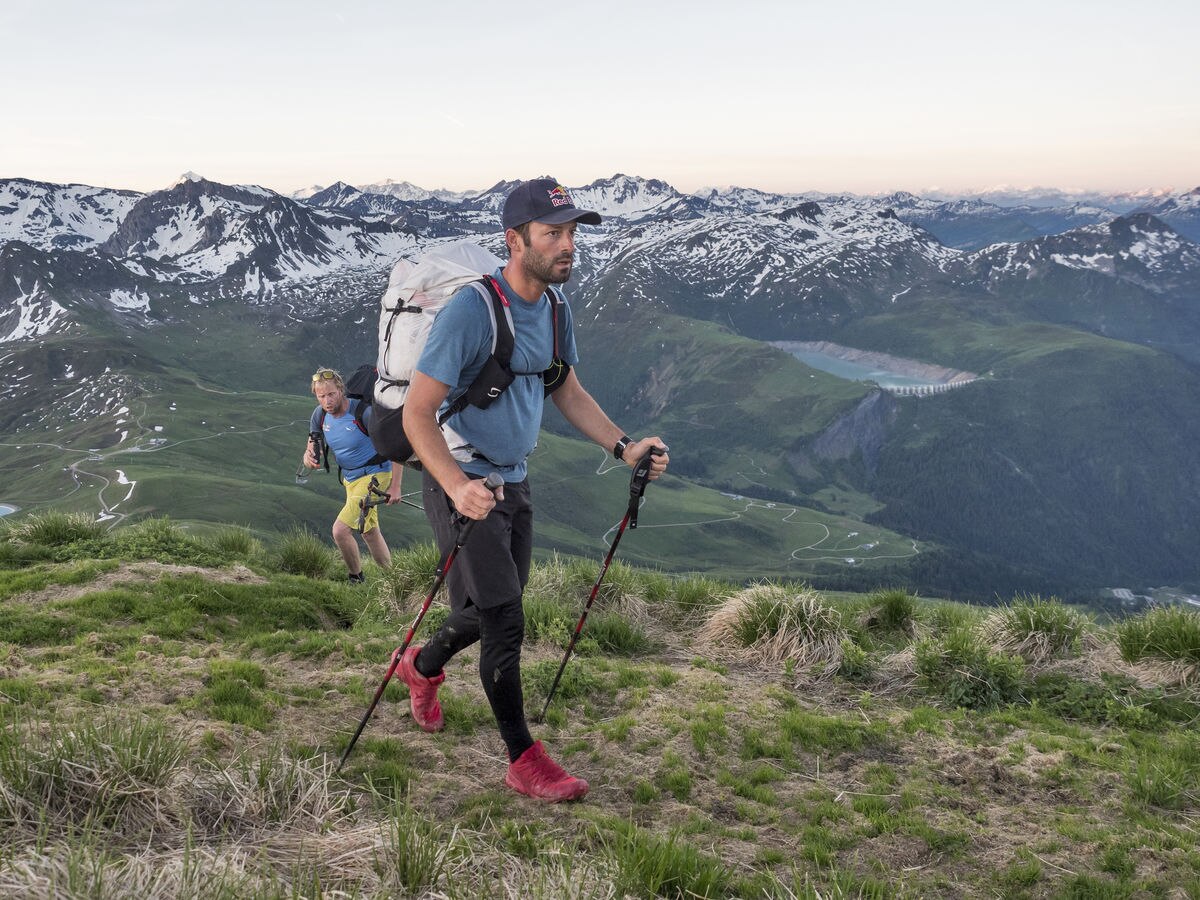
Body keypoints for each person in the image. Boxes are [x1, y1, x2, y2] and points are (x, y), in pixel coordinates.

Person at [400, 178, 669, 802]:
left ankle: (419, 667)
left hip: (513, 483)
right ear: (514, 240)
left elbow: (564, 388)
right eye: (554, 233)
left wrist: (622, 445)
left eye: (572, 232)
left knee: (478, 613)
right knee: (505, 621)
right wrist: (456, 485)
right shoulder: (473, 309)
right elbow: (417, 414)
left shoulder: (554, 309)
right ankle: (523, 758)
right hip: (463, 485)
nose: (568, 245)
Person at [303, 368, 404, 583]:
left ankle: (355, 579)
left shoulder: (362, 413)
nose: (327, 401)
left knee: (340, 531)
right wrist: (308, 457)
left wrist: (395, 486)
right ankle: (395, 580)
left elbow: (395, 448)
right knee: (369, 531)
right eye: (321, 396)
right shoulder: (319, 415)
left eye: (331, 394)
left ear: (341, 390)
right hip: (350, 479)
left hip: (375, 476)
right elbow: (312, 441)